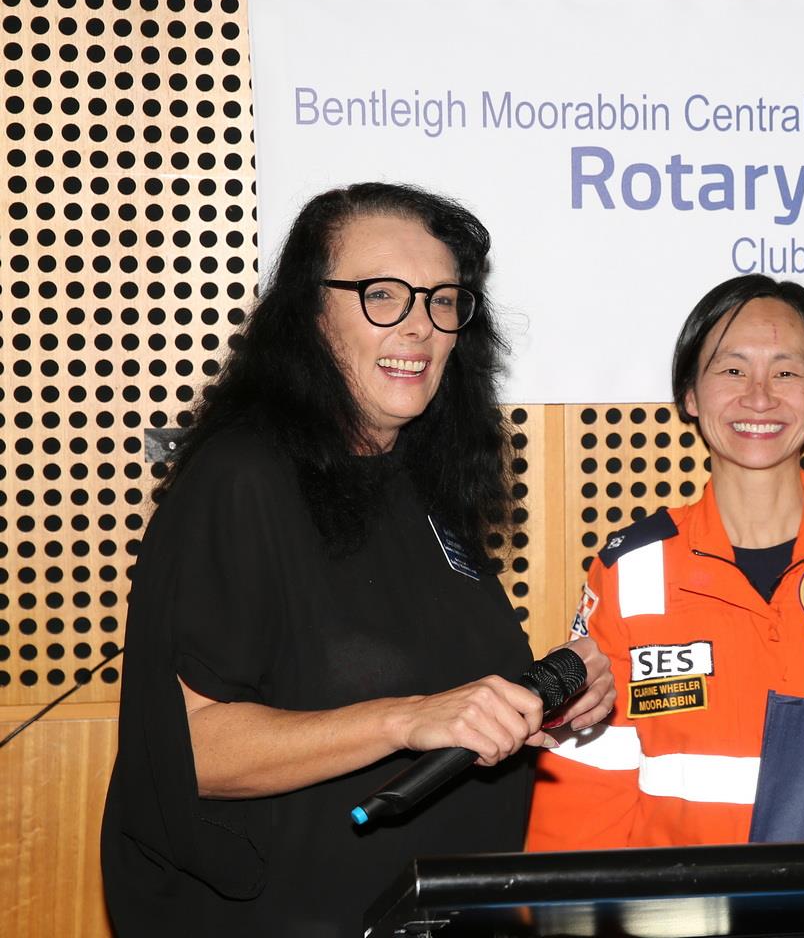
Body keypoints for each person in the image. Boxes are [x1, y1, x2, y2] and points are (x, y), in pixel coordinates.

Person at [100, 183, 615, 937]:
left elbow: (440, 700)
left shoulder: (427, 481)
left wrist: (540, 698)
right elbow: (187, 752)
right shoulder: (243, 476)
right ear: (310, 312)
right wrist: (404, 720)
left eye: (442, 300)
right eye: (382, 295)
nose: (419, 326)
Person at [526, 276, 804, 850]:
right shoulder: (630, 570)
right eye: (732, 370)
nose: (759, 397)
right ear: (690, 394)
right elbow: (588, 784)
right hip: (681, 900)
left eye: (786, 373)